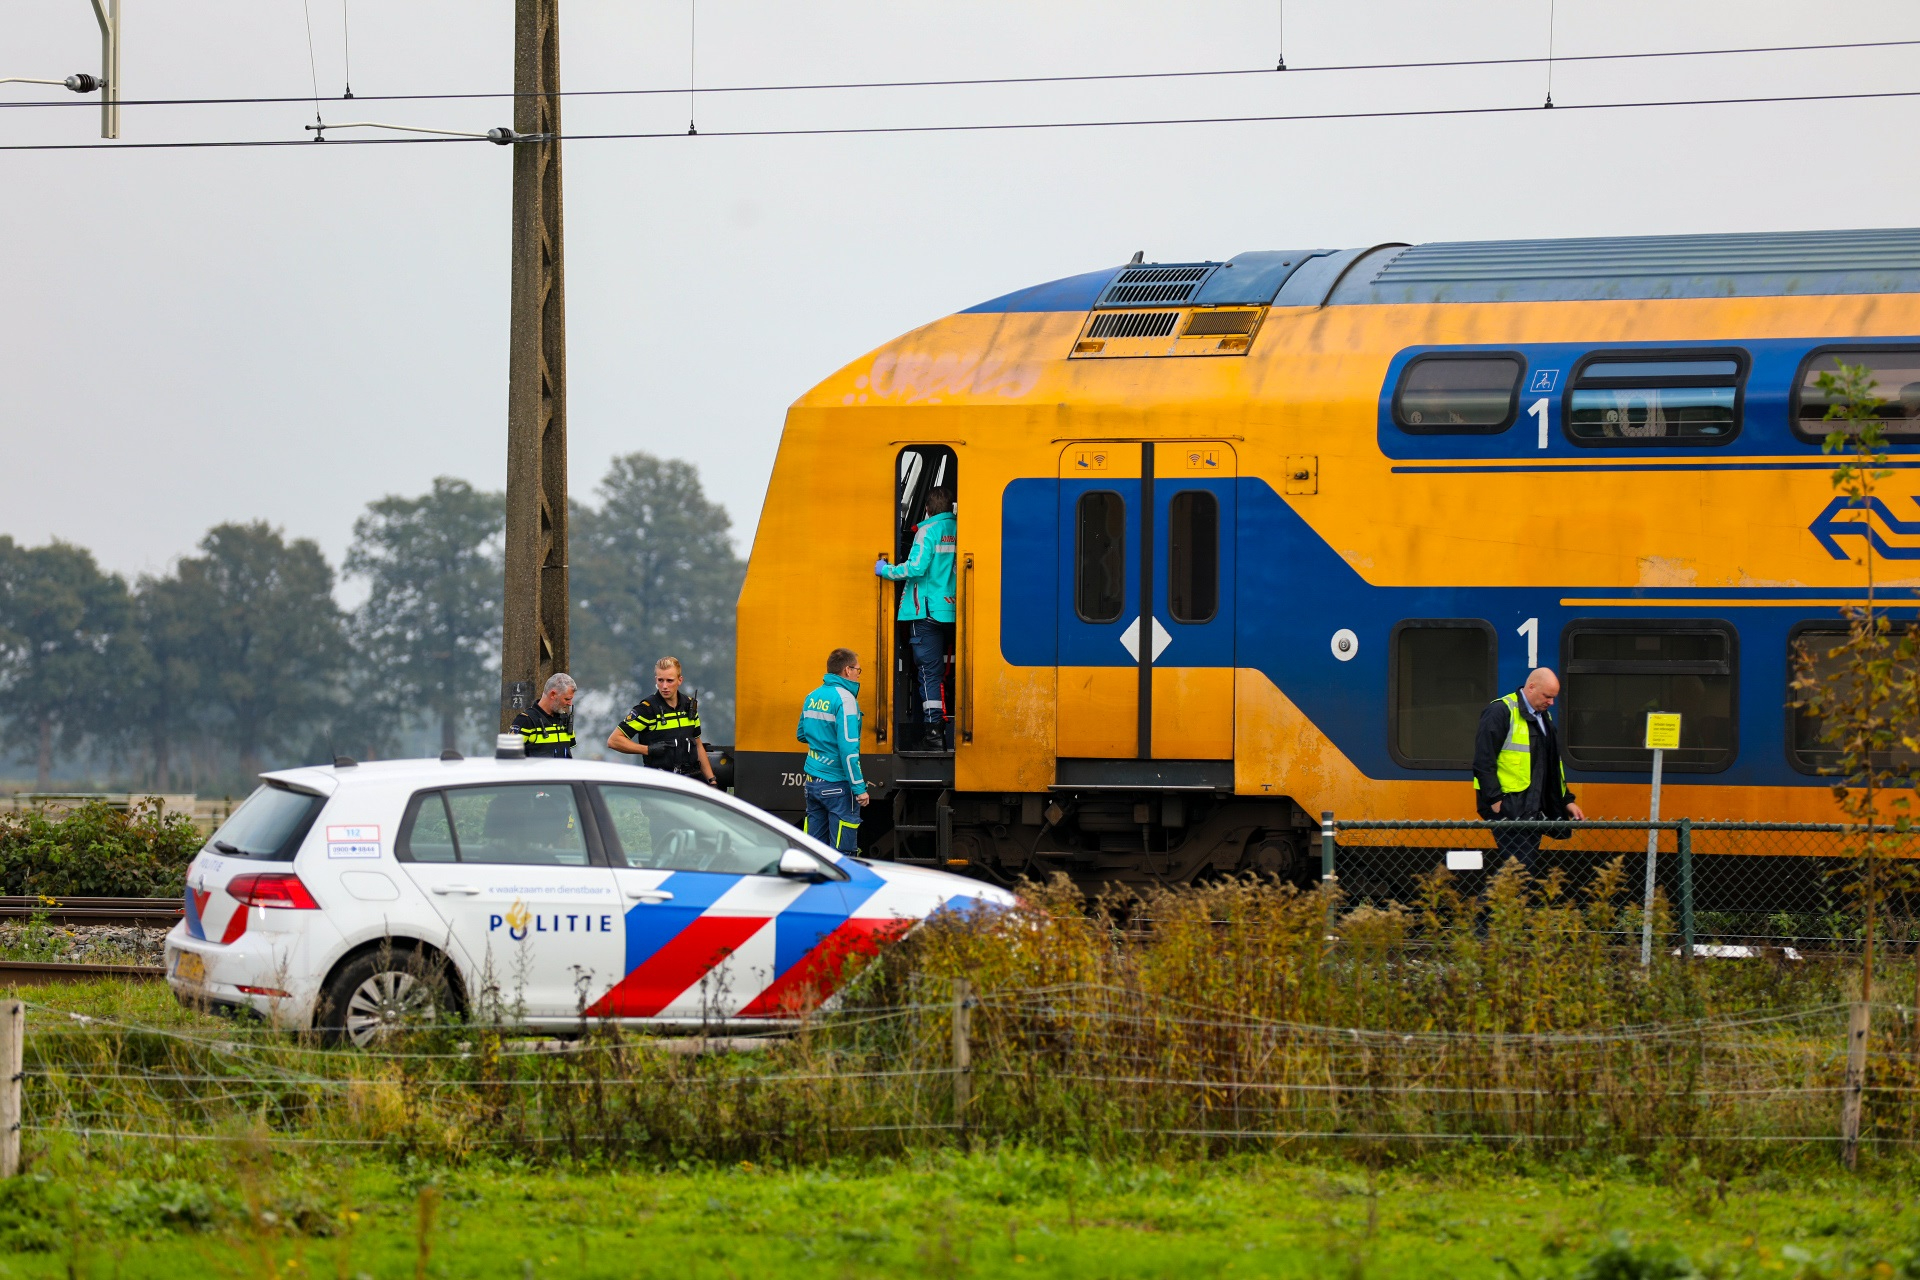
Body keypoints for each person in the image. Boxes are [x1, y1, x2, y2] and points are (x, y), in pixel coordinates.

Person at [1472, 667, 1585, 872]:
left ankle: (1499, 903)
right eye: (1547, 696)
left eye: (1553, 698)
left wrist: (1566, 800)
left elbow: (1552, 766)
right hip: (1508, 806)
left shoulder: (1544, 718)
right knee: (1520, 868)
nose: (1551, 702)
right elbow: (1483, 760)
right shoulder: (1501, 711)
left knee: (1523, 868)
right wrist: (1496, 801)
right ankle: (1484, 904)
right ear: (1531, 687)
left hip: (1533, 808)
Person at [875, 485, 958, 750]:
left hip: (925, 611)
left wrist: (886, 570)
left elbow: (916, 568)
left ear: (927, 508)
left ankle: (933, 734)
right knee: (949, 670)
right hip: (952, 610)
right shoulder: (958, 528)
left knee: (928, 673)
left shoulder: (927, 530)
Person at [606, 656, 719, 786]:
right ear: (656, 680)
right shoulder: (646, 709)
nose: (664, 686)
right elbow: (614, 741)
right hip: (659, 783)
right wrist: (648, 750)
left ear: (680, 680)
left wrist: (712, 780)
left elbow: (698, 744)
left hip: (690, 782)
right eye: (660, 680)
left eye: (669, 681)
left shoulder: (690, 706)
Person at [796, 648, 868, 852]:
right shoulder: (846, 701)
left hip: (812, 783)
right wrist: (859, 789)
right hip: (837, 784)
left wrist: (821, 740)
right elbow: (849, 750)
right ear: (847, 670)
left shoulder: (812, 696)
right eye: (858, 670)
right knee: (842, 855)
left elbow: (801, 734)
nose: (857, 675)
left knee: (814, 852)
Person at [510, 673, 577, 758]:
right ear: (553, 694)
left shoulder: (565, 719)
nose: (570, 704)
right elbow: (509, 758)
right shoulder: (525, 720)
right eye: (567, 699)